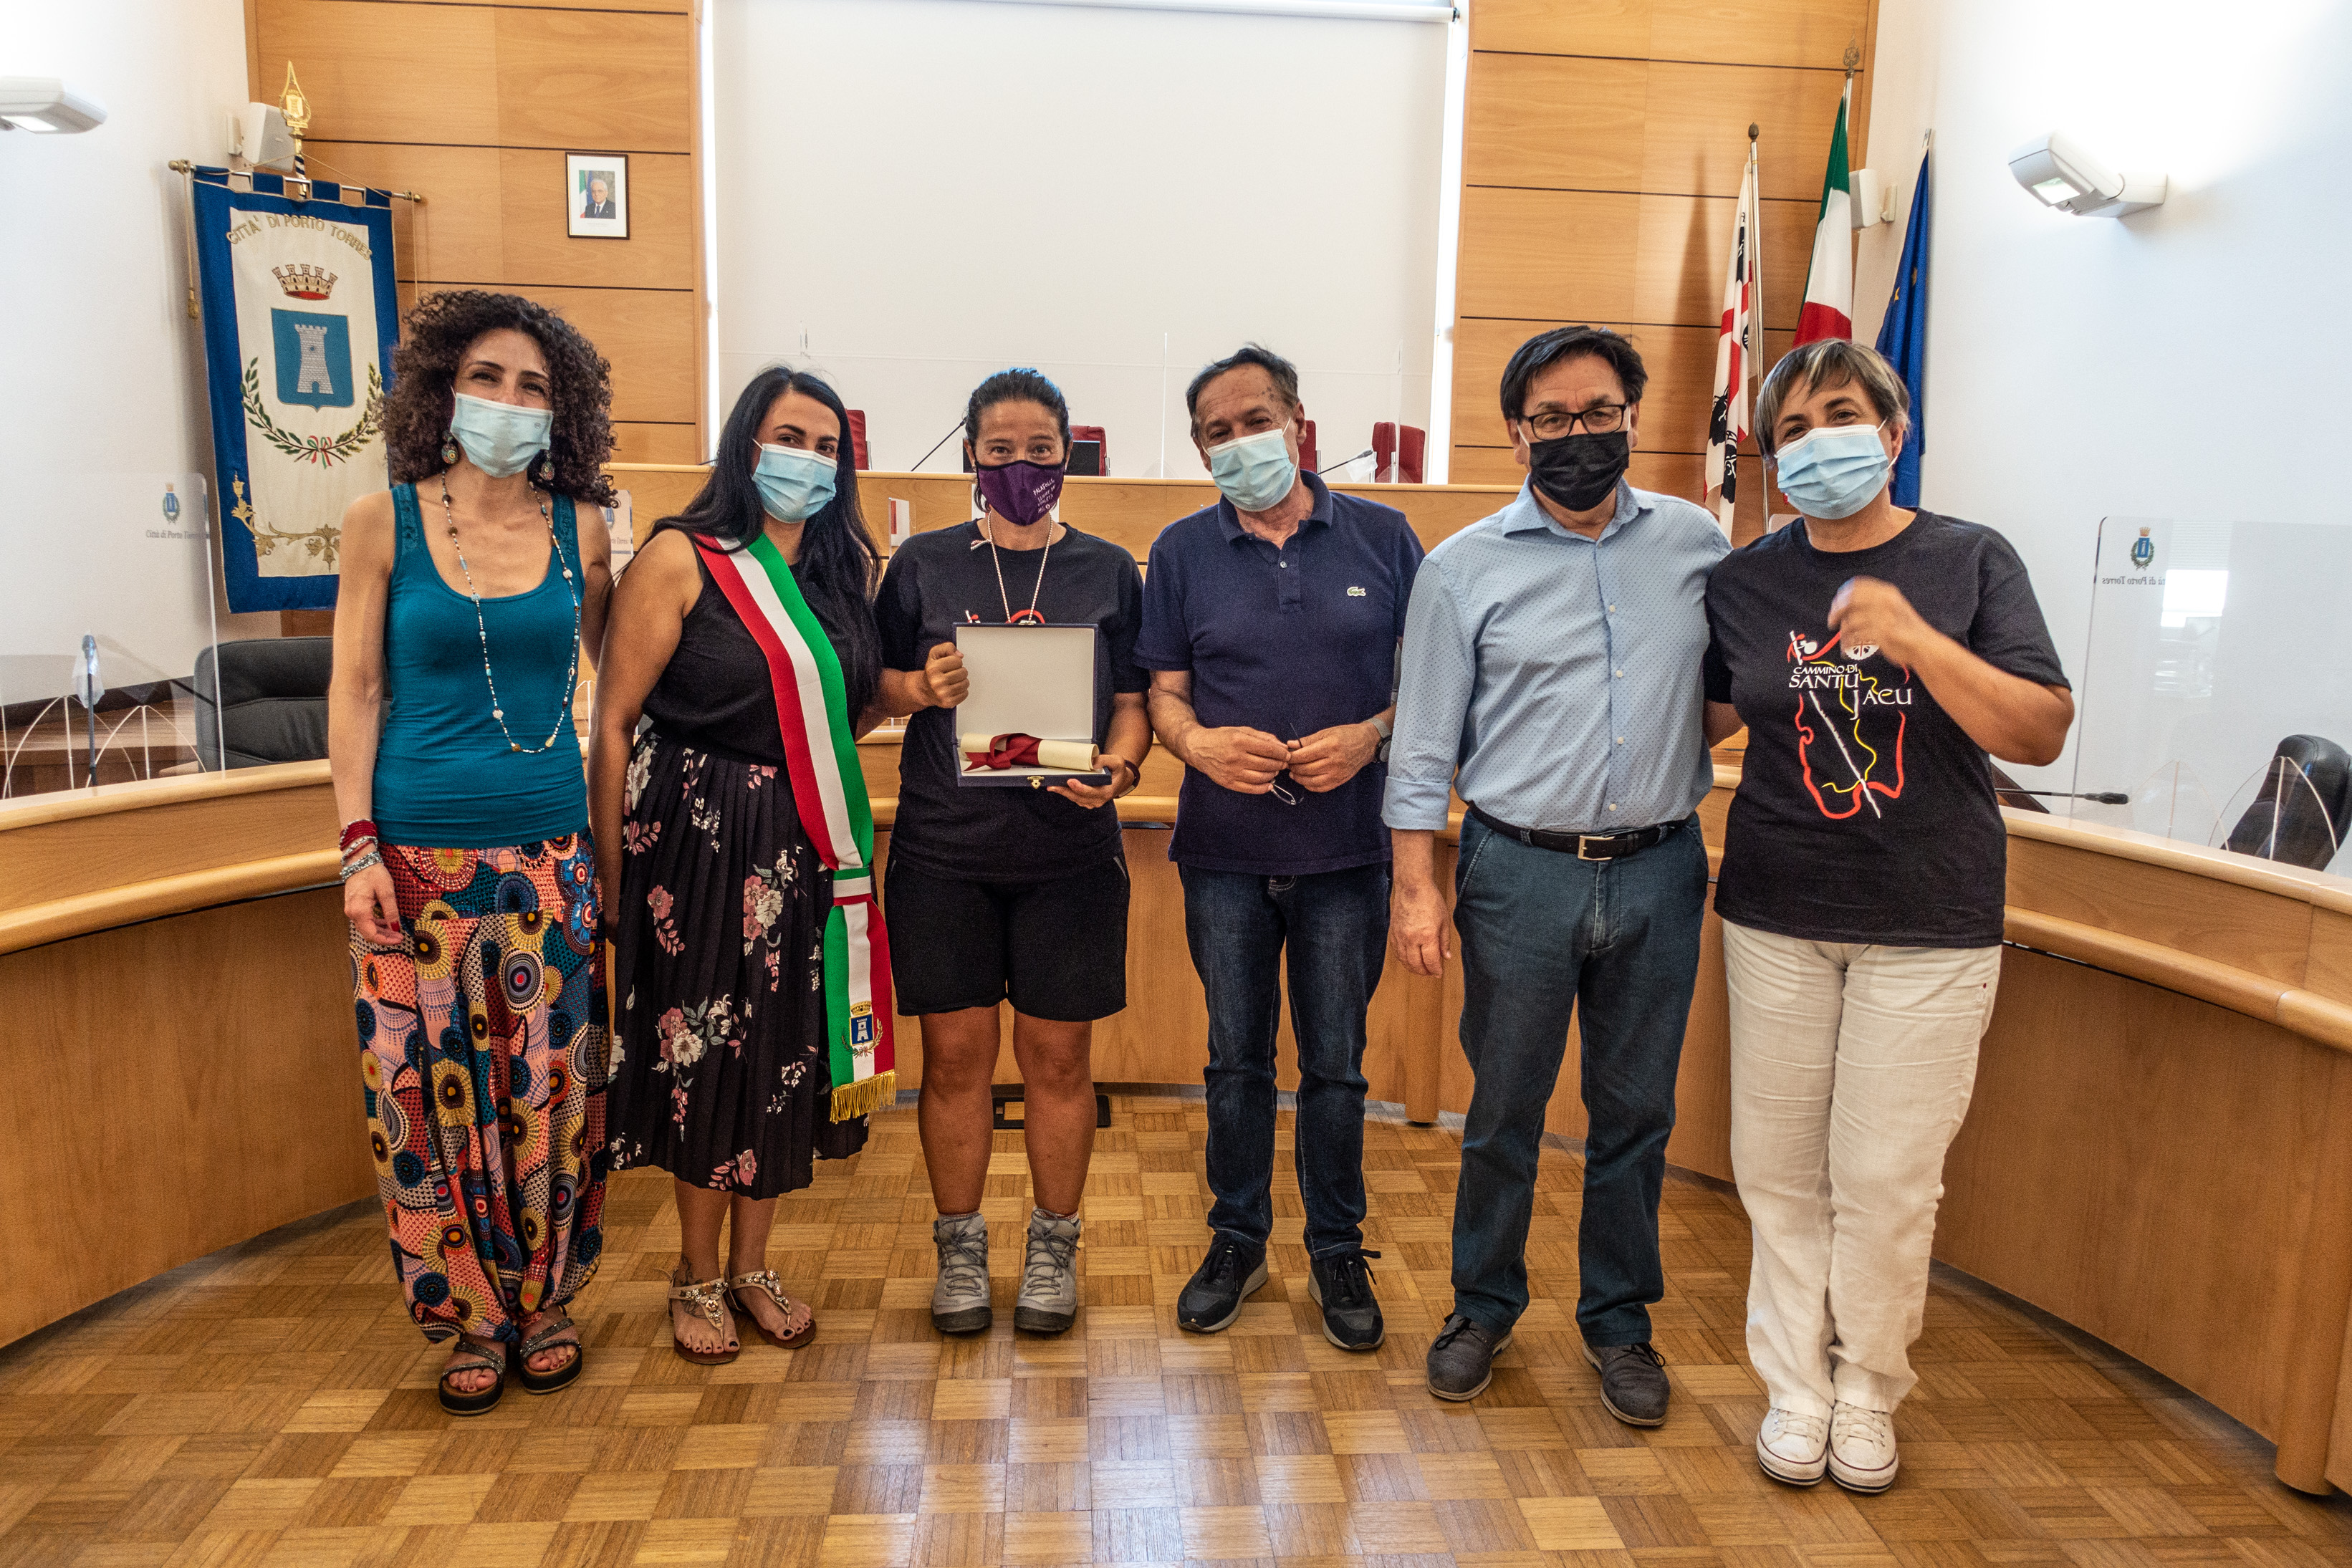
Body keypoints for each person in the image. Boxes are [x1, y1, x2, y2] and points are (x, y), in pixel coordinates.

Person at [1703, 339, 2073, 1493]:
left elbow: (2039, 730)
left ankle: (1867, 1384)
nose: (1818, 444)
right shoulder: (1745, 581)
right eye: (1793, 431)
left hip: (1930, 917)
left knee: (1885, 1176)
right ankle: (1795, 1387)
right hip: (1776, 907)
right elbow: (1706, 714)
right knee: (1775, 1169)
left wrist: (1912, 637)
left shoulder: (1969, 560)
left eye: (1841, 416)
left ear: (1894, 431)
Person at [1387, 325, 1734, 1415]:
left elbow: (1726, 695)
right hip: (1517, 873)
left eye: (1598, 413)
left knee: (1635, 1114)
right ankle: (1482, 1305)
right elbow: (1422, 749)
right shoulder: (1461, 569)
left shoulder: (1696, 542)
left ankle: (1621, 1324)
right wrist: (1416, 887)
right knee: (1505, 1109)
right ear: (1516, 432)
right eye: (1552, 418)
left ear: (1632, 416)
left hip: (1662, 869)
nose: (1577, 434)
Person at [332, 289, 617, 1416]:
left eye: (534, 385)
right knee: (428, 1092)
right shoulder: (381, 521)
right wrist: (356, 847)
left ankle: (542, 1300)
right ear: (443, 390)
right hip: (413, 864)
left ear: (562, 410)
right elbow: (356, 691)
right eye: (488, 377)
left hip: (551, 856)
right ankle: (465, 1313)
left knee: (548, 1089)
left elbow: (623, 675)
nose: (509, 400)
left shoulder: (583, 528)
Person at [589, 366, 891, 1365]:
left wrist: (913, 691)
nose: (807, 459)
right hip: (697, 844)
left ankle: (754, 1268)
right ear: (745, 442)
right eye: (788, 437)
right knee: (704, 1053)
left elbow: (838, 716)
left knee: (780, 1056)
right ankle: (696, 1271)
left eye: (825, 445)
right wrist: (610, 879)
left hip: (803, 847)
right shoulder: (683, 555)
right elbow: (614, 721)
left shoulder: (842, 578)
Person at [1138, 344, 1424, 1352]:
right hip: (1224, 854)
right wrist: (1197, 745)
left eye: (1255, 421)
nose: (1239, 443)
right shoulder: (1180, 551)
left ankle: (1338, 1247)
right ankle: (1238, 1238)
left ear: (1299, 422)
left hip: (1347, 854)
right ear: (1199, 450)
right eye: (1216, 433)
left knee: (1337, 1064)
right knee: (1235, 1060)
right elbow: (1163, 693)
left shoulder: (1385, 538)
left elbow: (1431, 687)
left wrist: (1372, 734)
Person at [874, 368, 1151, 1337]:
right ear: (970, 456)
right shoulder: (922, 563)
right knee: (953, 1060)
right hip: (944, 852)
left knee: (1059, 1060)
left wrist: (1119, 767)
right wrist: (921, 687)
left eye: (1041, 450)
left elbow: (1131, 702)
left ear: (1070, 456)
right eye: (1001, 450)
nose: (1022, 466)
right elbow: (871, 689)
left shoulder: (1109, 569)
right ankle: (959, 1246)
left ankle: (1052, 1244)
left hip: (1070, 856)